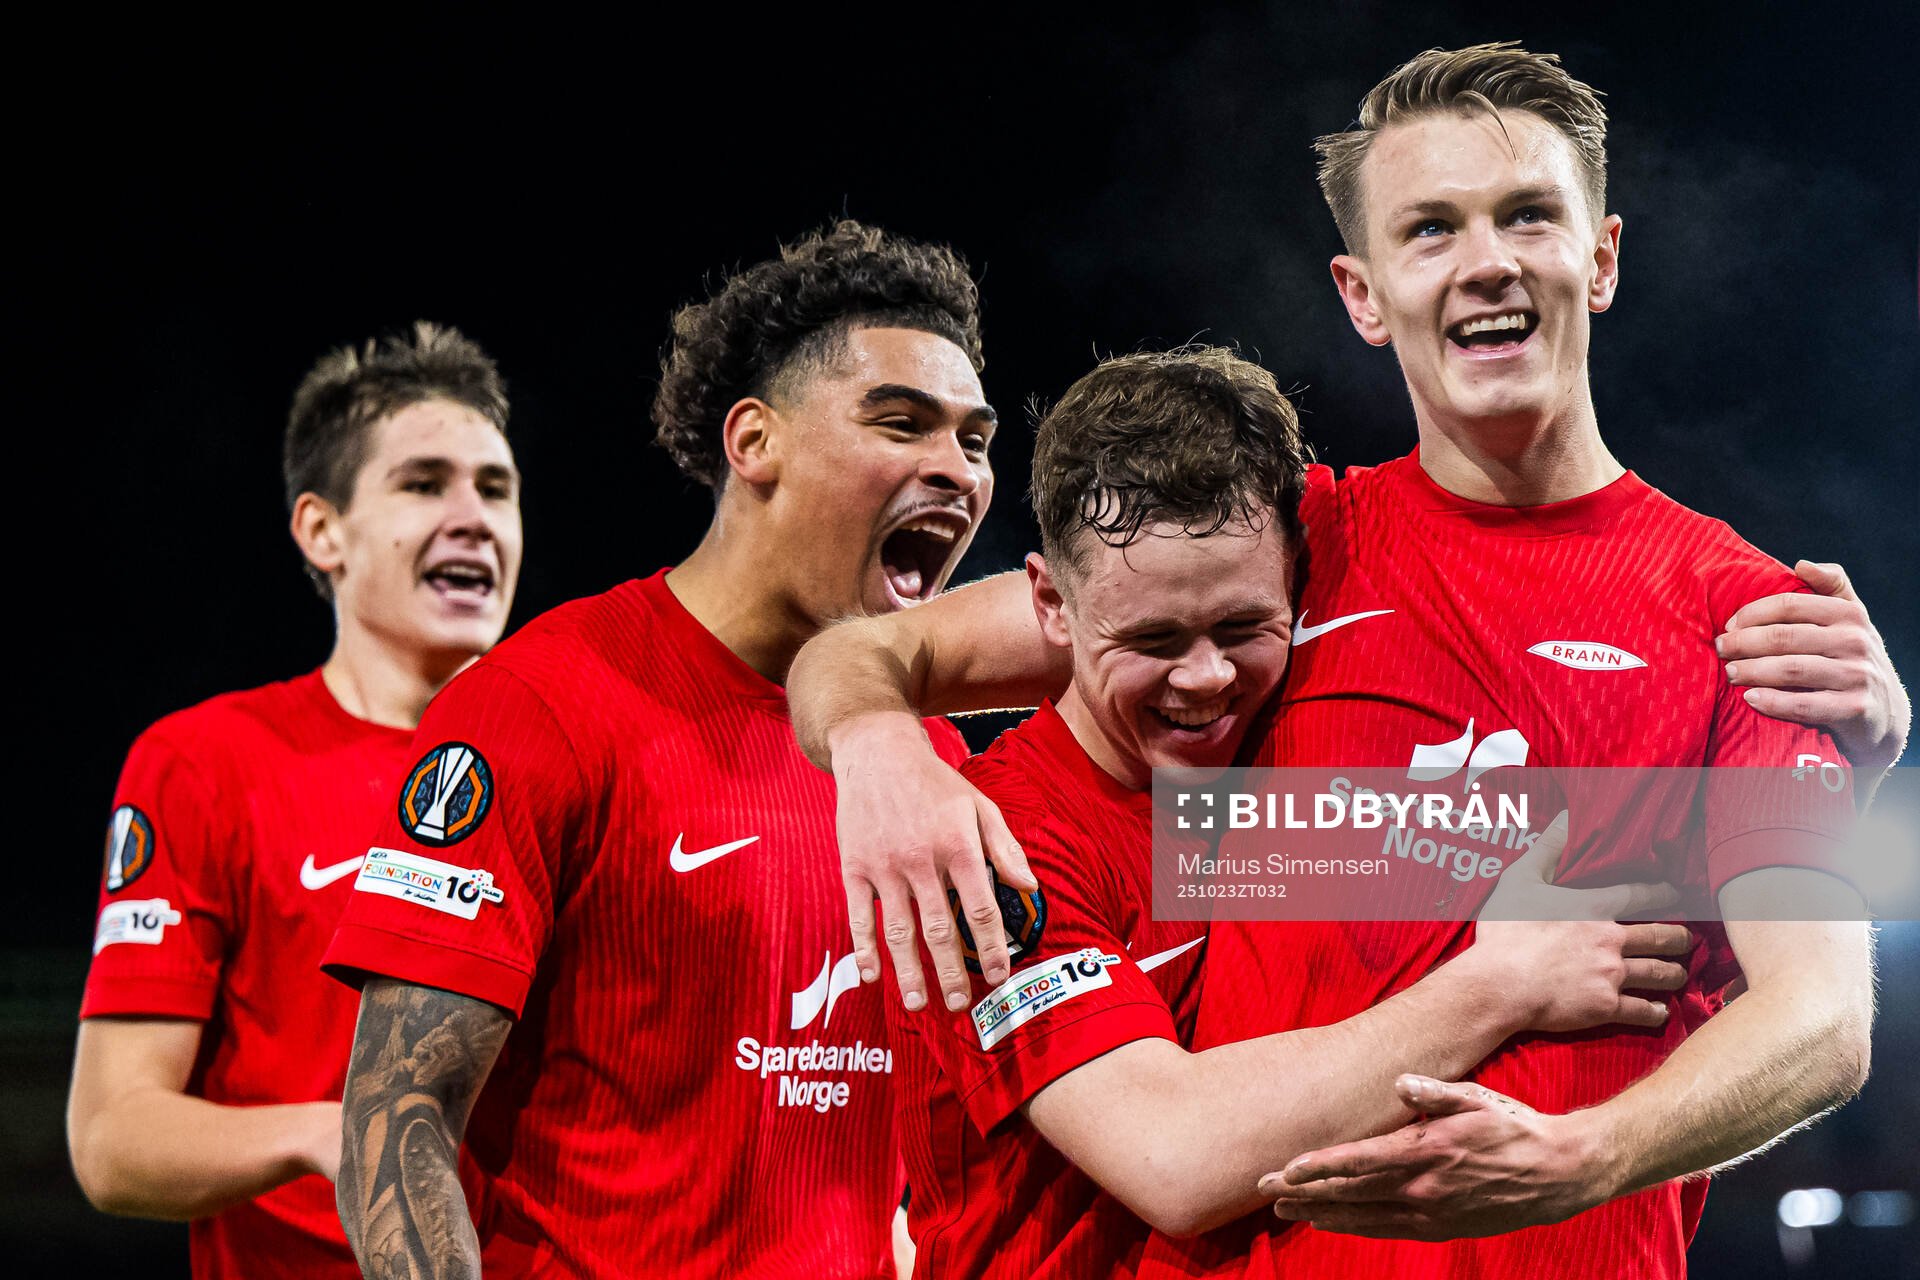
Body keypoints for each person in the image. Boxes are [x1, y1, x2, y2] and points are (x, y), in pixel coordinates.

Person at [786, 44, 1907, 1280]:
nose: (1486, 261)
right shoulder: (1277, 553)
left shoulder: (1744, 614)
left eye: (1529, 213)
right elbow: (875, 653)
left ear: (1602, 256)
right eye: (1430, 229)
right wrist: (883, 750)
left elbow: (1820, 1020)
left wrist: (1581, 1155)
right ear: (1364, 294)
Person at [885, 345, 1696, 1279]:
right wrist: (1502, 982)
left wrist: (1845, 730)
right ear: (1051, 604)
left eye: (1241, 628)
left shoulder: (1299, 732)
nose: (1205, 678)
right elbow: (1175, 1159)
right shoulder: (996, 844)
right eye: (1150, 640)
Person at [322, 220, 995, 1278]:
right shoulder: (537, 705)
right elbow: (396, 1124)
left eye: (974, 439)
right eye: (901, 422)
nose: (952, 467)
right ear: (754, 442)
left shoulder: (926, 766)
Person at [68, 322, 523, 1279]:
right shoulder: (205, 763)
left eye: (495, 487)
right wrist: (338, 1133)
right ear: (323, 531)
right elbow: (112, 1138)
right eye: (423, 483)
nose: (473, 516)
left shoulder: (575, 756)